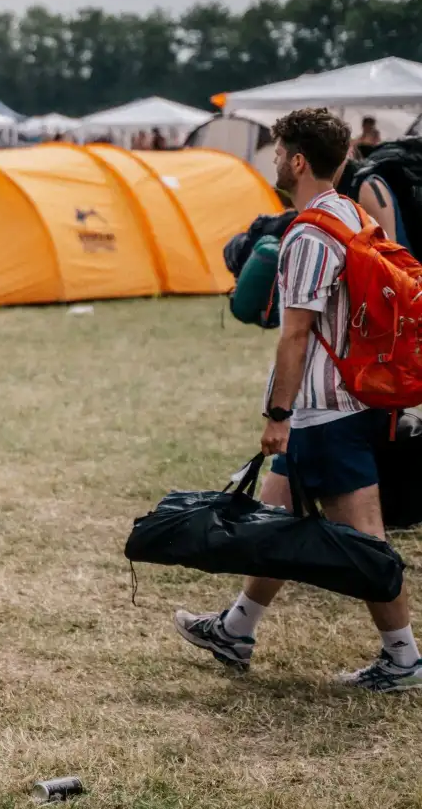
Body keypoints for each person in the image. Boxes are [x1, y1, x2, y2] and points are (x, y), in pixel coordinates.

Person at [174, 107, 421, 692]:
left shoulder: (309, 232)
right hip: (343, 404)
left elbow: (296, 332)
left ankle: (405, 657)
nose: (274, 159)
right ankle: (236, 629)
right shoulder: (350, 213)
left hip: (323, 412)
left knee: (364, 542)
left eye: (279, 149)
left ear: (299, 159)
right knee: (274, 520)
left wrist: (278, 415)